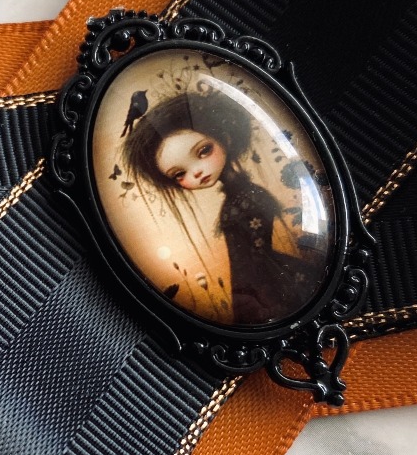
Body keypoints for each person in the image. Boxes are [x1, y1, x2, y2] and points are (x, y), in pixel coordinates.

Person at [120, 88, 316, 324]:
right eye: (180, 174)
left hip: (266, 283)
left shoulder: (246, 200)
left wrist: (247, 293)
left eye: (204, 151)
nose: (197, 172)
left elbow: (254, 259)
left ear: (225, 137)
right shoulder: (239, 200)